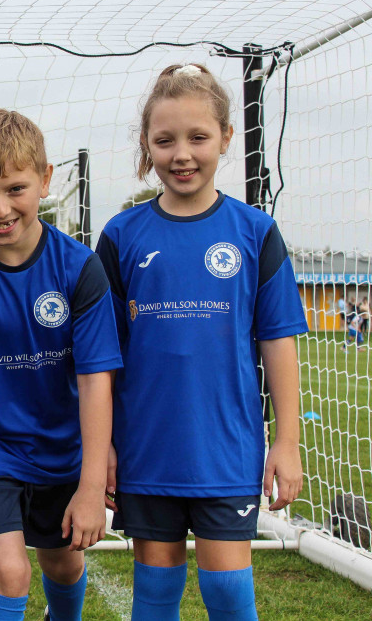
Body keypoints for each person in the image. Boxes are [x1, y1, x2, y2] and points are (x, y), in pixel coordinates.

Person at [95, 63, 307, 621]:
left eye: (198, 137)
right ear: (147, 145)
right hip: (146, 452)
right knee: (155, 597)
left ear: (226, 139)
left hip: (226, 449)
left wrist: (286, 443)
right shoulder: (121, 236)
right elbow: (102, 356)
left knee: (230, 596)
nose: (181, 153)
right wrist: (106, 448)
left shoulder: (255, 232)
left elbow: (278, 342)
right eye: (164, 140)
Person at [0, 110, 120, 621]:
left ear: (45, 179)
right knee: (10, 571)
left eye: (15, 188)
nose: (0, 207)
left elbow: (96, 381)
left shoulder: (79, 268)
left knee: (63, 564)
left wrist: (91, 486)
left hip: (62, 450)